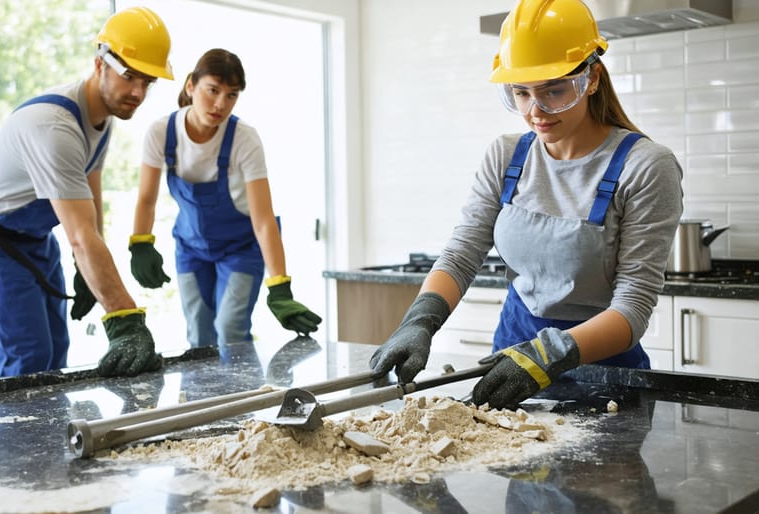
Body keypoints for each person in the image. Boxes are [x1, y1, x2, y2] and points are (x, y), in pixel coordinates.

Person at [369, 0, 683, 409]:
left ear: (591, 79)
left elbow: (633, 307)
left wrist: (550, 354)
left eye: (554, 90)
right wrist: (420, 321)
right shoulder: (506, 155)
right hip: (509, 365)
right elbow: (463, 253)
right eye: (521, 93)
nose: (536, 111)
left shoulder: (645, 166)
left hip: (605, 378)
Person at [0, 7, 175, 378]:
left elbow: (90, 203)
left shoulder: (102, 121)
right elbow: (78, 234)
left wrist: (85, 266)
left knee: (57, 350)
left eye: (148, 82)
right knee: (29, 360)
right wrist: (123, 319)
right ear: (100, 64)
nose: (138, 93)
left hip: (37, 239)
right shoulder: (54, 127)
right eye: (130, 76)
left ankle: (47, 439)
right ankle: (14, 439)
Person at [130, 48, 322, 360]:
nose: (221, 104)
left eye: (232, 95)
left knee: (231, 329)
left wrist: (280, 287)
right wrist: (140, 242)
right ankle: (201, 407)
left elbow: (263, 220)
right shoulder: (162, 133)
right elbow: (146, 199)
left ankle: (245, 407)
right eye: (213, 90)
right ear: (191, 86)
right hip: (191, 248)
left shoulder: (244, 138)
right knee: (198, 334)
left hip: (241, 248)